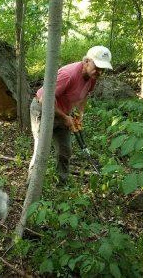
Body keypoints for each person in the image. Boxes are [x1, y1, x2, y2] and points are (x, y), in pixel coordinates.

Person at [29, 46, 113, 184]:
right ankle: (32, 185)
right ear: (86, 61)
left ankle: (62, 183)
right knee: (41, 150)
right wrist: (64, 117)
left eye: (103, 69)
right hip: (43, 110)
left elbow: (84, 95)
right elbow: (45, 99)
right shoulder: (68, 74)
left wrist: (80, 114)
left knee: (65, 150)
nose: (99, 71)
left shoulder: (92, 77)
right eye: (97, 66)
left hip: (63, 114)